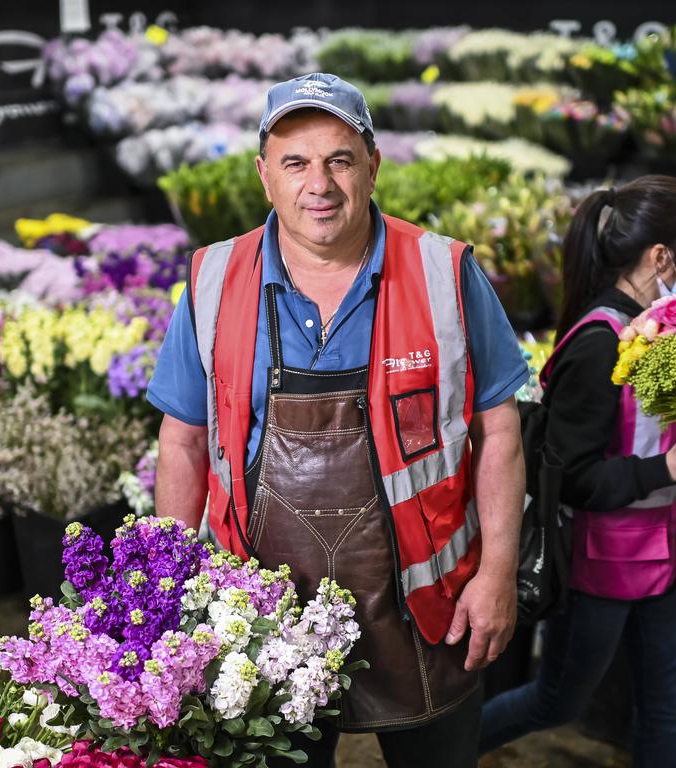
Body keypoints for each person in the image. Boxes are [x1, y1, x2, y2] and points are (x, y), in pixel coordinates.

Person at [146, 72, 530, 768]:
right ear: (265, 177)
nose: (317, 183)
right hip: (260, 616)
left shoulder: (441, 271)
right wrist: (177, 593)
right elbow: (184, 441)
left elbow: (499, 427)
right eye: (295, 162)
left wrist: (497, 570)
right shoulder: (213, 279)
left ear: (373, 167)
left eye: (339, 159)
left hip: (428, 608)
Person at [478, 176, 676, 767]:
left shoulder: (671, 329)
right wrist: (666, 468)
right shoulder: (599, 343)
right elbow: (567, 478)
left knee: (662, 711)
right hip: (600, 571)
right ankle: (441, 751)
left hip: (669, 559)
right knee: (556, 702)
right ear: (661, 257)